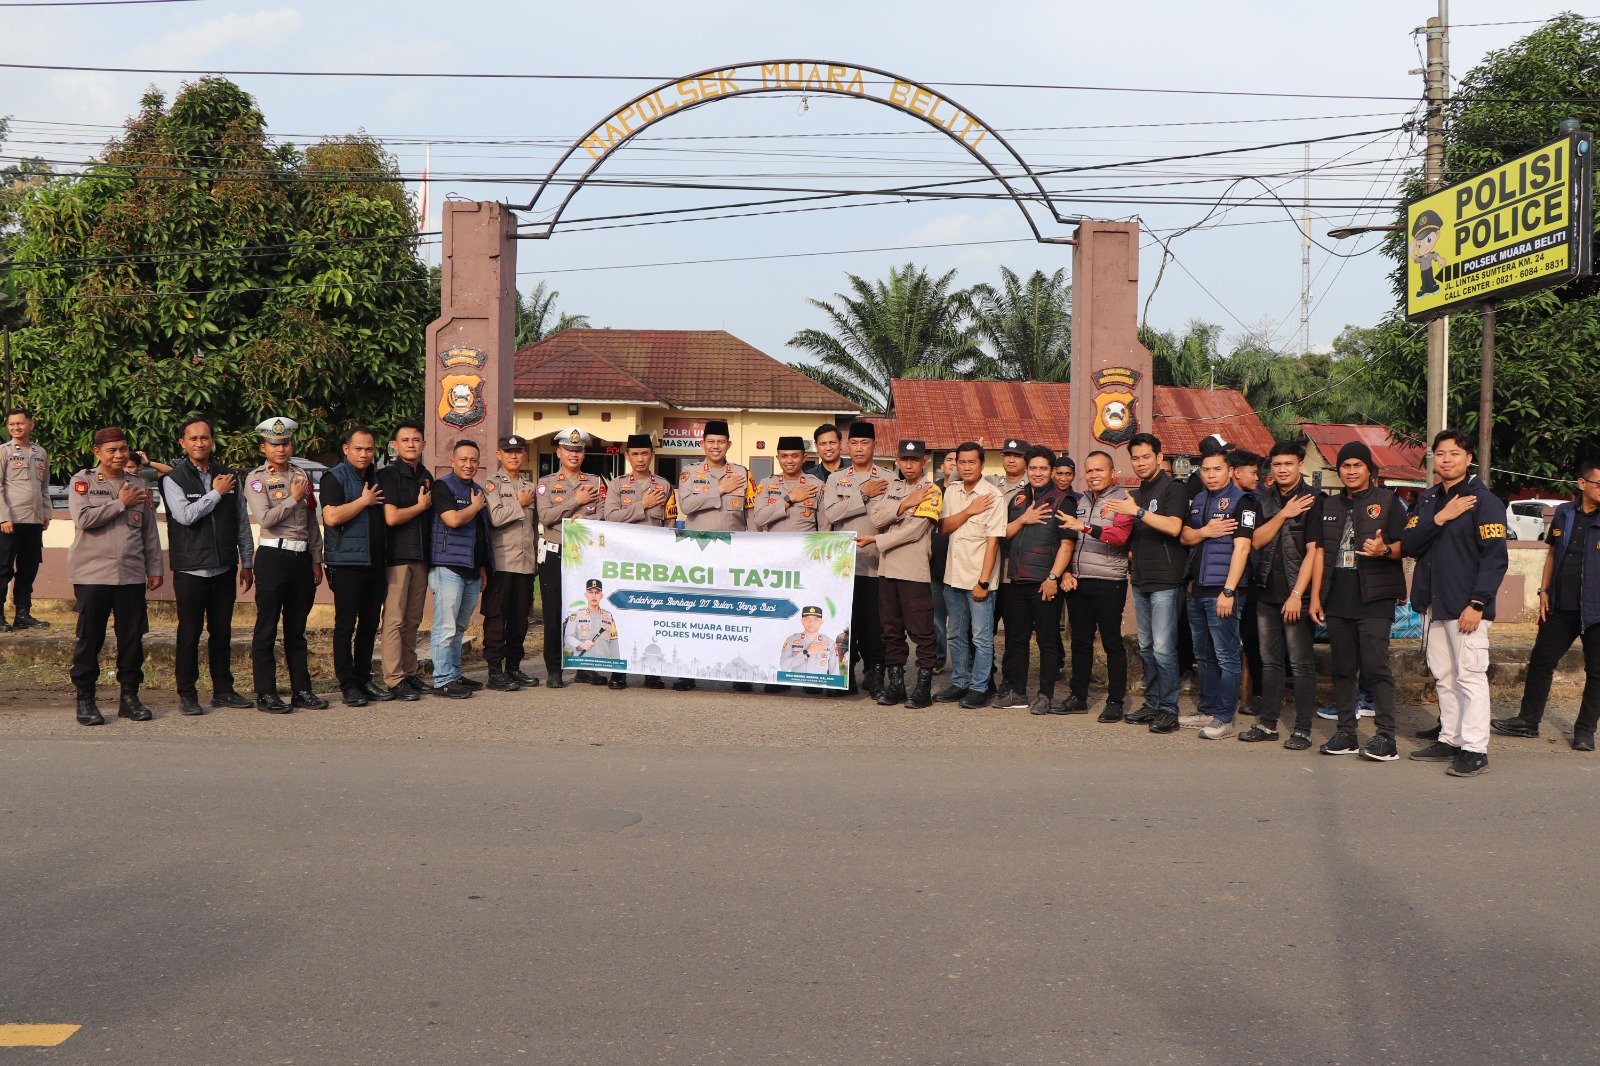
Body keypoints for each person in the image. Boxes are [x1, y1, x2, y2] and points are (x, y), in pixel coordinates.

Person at [1401, 429, 1509, 777]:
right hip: (1433, 603)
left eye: (1454, 453)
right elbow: (1410, 544)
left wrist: (1478, 603)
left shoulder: (1484, 501)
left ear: (1468, 459)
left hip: (1465, 605)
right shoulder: (1428, 500)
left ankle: (1475, 749)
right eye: (1441, 454)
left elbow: (1495, 558)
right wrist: (1441, 517)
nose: (1446, 460)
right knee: (1444, 675)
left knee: (1470, 676)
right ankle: (1450, 737)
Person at [1308, 440, 1408, 760]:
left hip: (1376, 596)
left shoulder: (1389, 502)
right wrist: (1315, 596)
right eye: (1345, 466)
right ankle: (1346, 732)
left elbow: (1408, 545)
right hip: (1338, 596)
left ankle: (1386, 737)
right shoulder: (1328, 505)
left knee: (1376, 667)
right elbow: (1320, 553)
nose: (1351, 471)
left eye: (1357, 465)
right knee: (1342, 668)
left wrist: (1384, 550)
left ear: (1369, 469)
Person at [1493, 458, 1600, 752]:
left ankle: (1585, 731)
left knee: (1596, 672)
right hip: (1560, 605)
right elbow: (1551, 554)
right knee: (1541, 662)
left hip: (1595, 611)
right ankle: (1528, 721)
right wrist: (1543, 591)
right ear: (1582, 484)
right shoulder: (1565, 513)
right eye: (1599, 484)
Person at [160, 416, 256, 716]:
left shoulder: (229, 475)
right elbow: (185, 516)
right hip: (191, 569)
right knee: (189, 634)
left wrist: (247, 561)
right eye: (193, 438)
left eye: (205, 438)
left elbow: (241, 521)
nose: (200, 443)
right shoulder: (173, 479)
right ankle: (188, 694)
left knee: (222, 632)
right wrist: (215, 493)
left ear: (212, 441)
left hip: (224, 567)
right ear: (183, 443)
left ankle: (223, 691)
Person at [68, 426, 163, 725]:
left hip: (131, 575)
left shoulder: (139, 483)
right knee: (90, 638)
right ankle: (86, 700)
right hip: (92, 574)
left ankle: (129, 698)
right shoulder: (82, 481)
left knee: (132, 639)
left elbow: (149, 531)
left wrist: (155, 568)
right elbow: (83, 519)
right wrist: (120, 502)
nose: (119, 455)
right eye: (112, 450)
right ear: (97, 452)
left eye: (123, 449)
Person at [1102, 433, 1191, 734]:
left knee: (1164, 649)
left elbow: (1174, 527)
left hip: (1166, 579)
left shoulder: (1173, 488)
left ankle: (1169, 709)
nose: (1140, 463)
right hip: (1140, 579)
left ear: (1159, 457)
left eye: (1146, 457)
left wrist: (1137, 512)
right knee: (1148, 647)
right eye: (1136, 458)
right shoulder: (1138, 492)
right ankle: (1152, 703)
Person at [1237, 441, 1319, 749]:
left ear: (1300, 465)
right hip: (1266, 590)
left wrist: (1298, 593)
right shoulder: (1264, 499)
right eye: (1277, 464)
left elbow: (1314, 552)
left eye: (1288, 463)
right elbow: (1257, 540)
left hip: (1298, 593)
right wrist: (1284, 514)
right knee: (1270, 661)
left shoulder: (1314, 499)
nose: (1283, 469)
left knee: (1300, 663)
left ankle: (1303, 729)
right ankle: (1268, 724)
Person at [243, 417, 326, 714]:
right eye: (274, 444)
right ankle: (266, 693)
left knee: (297, 629)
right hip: (273, 557)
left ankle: (301, 690)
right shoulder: (256, 479)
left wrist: (316, 558)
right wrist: (292, 498)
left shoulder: (301, 474)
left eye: (286, 443)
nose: (281, 449)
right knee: (266, 628)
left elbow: (311, 521)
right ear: (263, 447)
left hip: (301, 558)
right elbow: (265, 519)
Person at [1177, 448, 1258, 740]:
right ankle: (1207, 709)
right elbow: (1186, 536)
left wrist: (1229, 590)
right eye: (1206, 470)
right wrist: (1206, 532)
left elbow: (1243, 548)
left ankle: (1224, 718)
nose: (1211, 475)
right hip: (1197, 589)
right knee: (1204, 654)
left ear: (1230, 471)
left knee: (1226, 656)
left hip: (1223, 591)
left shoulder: (1243, 501)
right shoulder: (1199, 499)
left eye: (1217, 469)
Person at [674, 419, 755, 691]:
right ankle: (688, 671)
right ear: (703, 444)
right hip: (698, 553)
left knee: (733, 614)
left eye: (721, 442)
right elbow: (687, 505)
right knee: (694, 613)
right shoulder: (690, 472)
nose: (716, 446)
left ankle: (739, 672)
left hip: (733, 555)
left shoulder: (742, 473)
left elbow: (750, 514)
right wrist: (718, 489)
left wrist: (756, 548)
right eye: (711, 441)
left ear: (728, 444)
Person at [995, 445, 1076, 715]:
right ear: (1026, 470)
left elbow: (1067, 545)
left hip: (1044, 582)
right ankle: (1018, 691)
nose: (1037, 473)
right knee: (1016, 640)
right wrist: (1024, 519)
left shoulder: (1063, 501)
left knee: (1047, 641)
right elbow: (1004, 534)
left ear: (1052, 471)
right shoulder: (1018, 499)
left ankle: (1045, 695)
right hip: (1017, 579)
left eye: (1043, 468)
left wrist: (1053, 577)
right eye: (1033, 468)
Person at [319, 426, 394, 709]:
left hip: (375, 563)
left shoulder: (376, 476)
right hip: (346, 563)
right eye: (358, 448)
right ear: (346, 449)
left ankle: (364, 679)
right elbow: (331, 517)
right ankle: (348, 684)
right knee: (345, 626)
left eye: (369, 449)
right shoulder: (334, 477)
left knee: (369, 625)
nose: (364, 454)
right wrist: (363, 501)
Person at [1058, 451, 1134, 721]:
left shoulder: (1122, 501)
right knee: (1080, 642)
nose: (1094, 475)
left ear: (1112, 473)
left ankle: (1115, 701)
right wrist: (1066, 571)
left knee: (1112, 643)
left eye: (1099, 470)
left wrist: (1085, 527)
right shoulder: (1079, 500)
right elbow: (1068, 541)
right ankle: (1078, 696)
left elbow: (1120, 537)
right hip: (1079, 581)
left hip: (1109, 581)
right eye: (1089, 471)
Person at [870, 439, 943, 708]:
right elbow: (876, 519)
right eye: (905, 460)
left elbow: (915, 530)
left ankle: (923, 688)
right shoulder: (893, 487)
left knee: (922, 631)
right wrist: (904, 505)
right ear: (898, 461)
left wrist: (879, 539)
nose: (909, 465)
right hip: (887, 568)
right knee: (891, 630)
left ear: (924, 461)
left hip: (913, 569)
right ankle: (897, 684)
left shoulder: (932, 490)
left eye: (914, 460)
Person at [822, 421, 889, 699]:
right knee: (844, 624)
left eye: (865, 443)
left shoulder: (888, 478)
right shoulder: (836, 479)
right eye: (854, 443)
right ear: (846, 446)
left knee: (874, 624)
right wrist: (863, 495)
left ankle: (875, 674)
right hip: (844, 566)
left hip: (875, 563)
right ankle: (844, 676)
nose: (859, 448)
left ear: (874, 445)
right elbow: (832, 514)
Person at [936, 442, 1006, 709]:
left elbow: (993, 542)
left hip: (978, 580)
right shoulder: (952, 491)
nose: (966, 467)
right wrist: (969, 511)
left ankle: (979, 687)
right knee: (955, 635)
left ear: (982, 464)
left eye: (972, 462)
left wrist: (984, 582)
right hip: (952, 577)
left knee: (981, 637)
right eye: (961, 462)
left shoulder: (993, 496)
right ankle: (960, 682)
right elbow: (944, 527)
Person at [536, 426, 606, 689]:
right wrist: (574, 501)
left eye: (578, 450)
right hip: (555, 554)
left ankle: (584, 667)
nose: (573, 454)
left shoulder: (596, 482)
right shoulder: (546, 484)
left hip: (584, 557)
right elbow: (545, 517)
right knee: (554, 614)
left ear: (584, 454)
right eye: (568, 450)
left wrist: (586, 520)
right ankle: (554, 669)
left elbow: (604, 515)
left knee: (585, 612)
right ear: (559, 452)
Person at [603, 432, 674, 691]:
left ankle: (651, 672)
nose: (640, 459)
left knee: (651, 616)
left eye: (645, 453)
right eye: (635, 454)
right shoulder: (617, 485)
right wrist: (642, 505)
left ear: (651, 455)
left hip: (653, 563)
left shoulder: (664, 486)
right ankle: (618, 671)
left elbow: (669, 523)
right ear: (627, 456)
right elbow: (610, 517)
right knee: (622, 616)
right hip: (624, 562)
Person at [428, 439, 491, 699]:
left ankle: (454, 674)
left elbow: (481, 533)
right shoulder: (442, 486)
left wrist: (482, 567)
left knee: (459, 628)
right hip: (448, 568)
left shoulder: (477, 489)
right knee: (445, 627)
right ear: (452, 461)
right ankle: (442, 679)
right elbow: (452, 520)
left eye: (473, 460)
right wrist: (475, 507)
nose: (468, 464)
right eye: (463, 459)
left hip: (471, 570)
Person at [377, 420, 433, 702]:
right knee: (394, 620)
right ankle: (394, 678)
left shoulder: (425, 475)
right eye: (405, 440)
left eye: (416, 440)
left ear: (423, 444)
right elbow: (391, 517)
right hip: (398, 557)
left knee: (413, 620)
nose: (411, 445)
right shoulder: (388, 475)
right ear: (395, 445)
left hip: (421, 556)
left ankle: (410, 673)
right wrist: (420, 507)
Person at [480, 434, 541, 692]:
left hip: (525, 564)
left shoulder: (530, 486)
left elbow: (534, 526)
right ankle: (494, 671)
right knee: (497, 619)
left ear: (524, 455)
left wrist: (536, 559)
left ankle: (513, 667)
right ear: (499, 455)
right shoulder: (491, 484)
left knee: (519, 620)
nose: (513, 456)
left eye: (518, 452)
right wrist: (519, 503)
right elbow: (495, 518)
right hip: (502, 563)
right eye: (508, 452)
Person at [0, 407, 51, 631]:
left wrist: (46, 514)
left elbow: (44, 486)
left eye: (20, 423)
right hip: (10, 521)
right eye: (11, 424)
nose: (16, 428)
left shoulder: (40, 453)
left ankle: (23, 615)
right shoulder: (3, 451)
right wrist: (3, 518)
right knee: (3, 569)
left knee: (29, 568)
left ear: (31, 425)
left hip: (33, 520)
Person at [1228, 449, 1264, 714]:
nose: (1257, 477)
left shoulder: (1256, 501)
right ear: (1237, 473)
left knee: (1253, 638)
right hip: (1224, 580)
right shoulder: (1215, 500)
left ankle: (1259, 694)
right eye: (1253, 472)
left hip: (1252, 579)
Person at [752, 436, 824, 534]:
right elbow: (759, 519)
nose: (789, 461)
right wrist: (789, 498)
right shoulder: (766, 484)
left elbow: (824, 527)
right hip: (775, 543)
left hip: (805, 543)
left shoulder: (816, 485)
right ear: (778, 458)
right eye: (784, 456)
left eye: (795, 456)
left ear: (804, 458)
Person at [930, 451, 958, 675]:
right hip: (935, 567)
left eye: (959, 460)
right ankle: (938, 658)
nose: (954, 464)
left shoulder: (965, 492)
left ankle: (963, 664)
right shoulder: (932, 490)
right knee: (937, 620)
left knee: (960, 623)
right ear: (941, 466)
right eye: (950, 460)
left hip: (960, 567)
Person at [564, 578, 619, 663]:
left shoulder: (608, 616)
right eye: (591, 592)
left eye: (597, 592)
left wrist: (617, 665)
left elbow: (613, 642)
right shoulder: (576, 615)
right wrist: (581, 644)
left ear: (601, 596)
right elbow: (567, 638)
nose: (594, 596)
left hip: (603, 664)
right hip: (582, 663)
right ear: (586, 595)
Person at [780, 606, 838, 675]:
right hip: (798, 681)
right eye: (807, 619)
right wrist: (807, 652)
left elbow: (835, 673)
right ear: (802, 621)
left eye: (816, 619)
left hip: (819, 682)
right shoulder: (791, 640)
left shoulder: (830, 643)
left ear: (821, 622)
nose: (811, 623)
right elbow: (783, 666)